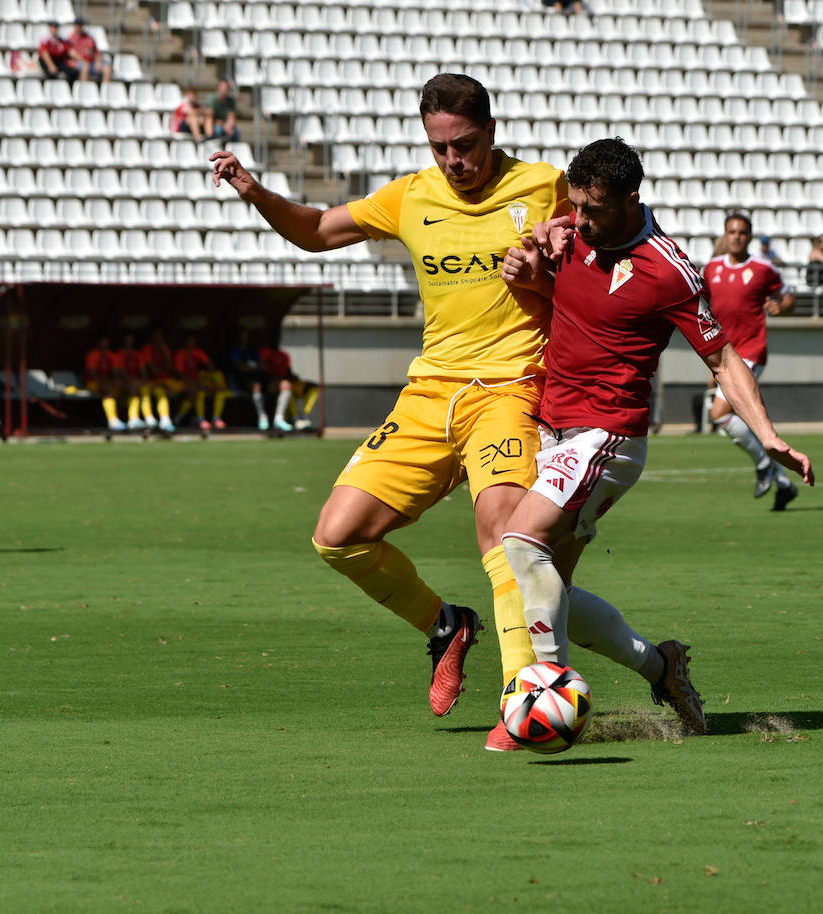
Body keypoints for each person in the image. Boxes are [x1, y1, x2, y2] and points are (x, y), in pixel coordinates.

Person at [210, 73, 571, 749]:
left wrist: (546, 279)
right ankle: (445, 625)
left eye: (463, 145)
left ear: (491, 133)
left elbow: (592, 283)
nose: (451, 161)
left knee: (502, 534)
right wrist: (256, 194)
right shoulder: (412, 195)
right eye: (439, 147)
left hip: (510, 388)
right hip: (432, 391)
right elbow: (317, 231)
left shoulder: (546, 187)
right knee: (336, 536)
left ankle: (523, 702)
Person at [498, 138, 815, 747]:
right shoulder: (572, 230)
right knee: (550, 590)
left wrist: (768, 435)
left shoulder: (668, 268)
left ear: (629, 198)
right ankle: (661, 666)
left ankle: (548, 692)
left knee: (519, 539)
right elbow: (563, 296)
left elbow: (722, 356)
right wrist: (530, 268)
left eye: (592, 210)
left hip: (606, 433)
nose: (580, 221)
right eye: (574, 208)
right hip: (553, 426)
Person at [703, 212, 800, 510]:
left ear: (749, 236)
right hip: (722, 353)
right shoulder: (711, 269)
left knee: (719, 414)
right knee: (743, 422)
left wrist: (781, 308)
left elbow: (788, 298)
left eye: (742, 232)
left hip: (750, 350)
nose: (736, 236)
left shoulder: (763, 268)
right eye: (732, 231)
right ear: (725, 234)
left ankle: (763, 465)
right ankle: (783, 482)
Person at [257, 340, 318, 432]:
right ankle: (294, 418)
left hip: (284, 383)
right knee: (287, 386)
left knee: (313, 387)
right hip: (268, 382)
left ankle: (302, 416)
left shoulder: (284, 355)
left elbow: (288, 371)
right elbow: (262, 369)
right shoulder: (265, 353)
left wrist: (293, 378)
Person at [174, 334, 230, 431]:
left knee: (219, 393)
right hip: (185, 384)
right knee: (196, 393)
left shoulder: (198, 354)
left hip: (204, 386)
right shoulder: (181, 354)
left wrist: (211, 386)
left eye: (193, 342)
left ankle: (215, 419)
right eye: (189, 342)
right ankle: (196, 419)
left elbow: (208, 364)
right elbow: (180, 373)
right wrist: (198, 384)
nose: (191, 344)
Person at [228, 329, 273, 431]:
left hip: (259, 378)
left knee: (277, 385)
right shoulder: (236, 351)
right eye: (242, 335)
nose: (244, 338)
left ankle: (279, 418)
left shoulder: (252, 350)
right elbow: (242, 368)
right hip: (242, 381)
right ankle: (262, 417)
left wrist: (253, 366)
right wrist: (254, 366)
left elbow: (263, 366)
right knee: (256, 386)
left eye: (245, 335)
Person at [138, 328, 181, 433]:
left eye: (160, 336)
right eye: (156, 336)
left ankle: (165, 420)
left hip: (165, 382)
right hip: (151, 382)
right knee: (148, 392)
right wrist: (160, 381)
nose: (158, 338)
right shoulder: (147, 349)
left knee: (163, 393)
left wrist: (164, 351)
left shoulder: (165, 349)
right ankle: (149, 419)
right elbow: (152, 369)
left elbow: (170, 367)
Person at [84, 333, 126, 432]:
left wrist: (116, 381)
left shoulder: (111, 355)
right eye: (103, 341)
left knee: (126, 388)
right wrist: (107, 383)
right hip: (92, 383)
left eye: (107, 342)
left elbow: (115, 373)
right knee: (108, 390)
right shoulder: (93, 355)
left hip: (108, 383)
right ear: (98, 343)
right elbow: (93, 374)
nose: (105, 343)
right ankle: (112, 420)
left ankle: (132, 418)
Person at [112, 332, 149, 430]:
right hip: (123, 383)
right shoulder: (119, 354)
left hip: (135, 383)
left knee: (144, 388)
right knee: (132, 388)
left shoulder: (137, 354)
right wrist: (129, 380)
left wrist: (143, 381)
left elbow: (142, 370)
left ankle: (148, 418)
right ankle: (132, 418)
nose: (129, 341)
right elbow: (119, 371)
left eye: (131, 339)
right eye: (127, 339)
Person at [66, 18, 110, 84]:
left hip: (91, 62)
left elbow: (96, 52)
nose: (78, 27)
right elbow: (72, 54)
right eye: (77, 25)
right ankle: (84, 89)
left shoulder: (89, 38)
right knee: (85, 66)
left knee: (107, 68)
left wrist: (99, 62)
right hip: (77, 62)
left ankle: (105, 91)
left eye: (80, 25)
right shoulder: (71, 39)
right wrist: (84, 61)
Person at [204, 79, 240, 143]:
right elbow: (210, 117)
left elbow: (231, 116)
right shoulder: (212, 99)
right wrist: (223, 124)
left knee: (236, 131)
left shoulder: (231, 101)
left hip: (225, 124)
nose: (224, 91)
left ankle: (230, 149)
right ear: (218, 89)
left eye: (226, 89)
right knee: (218, 130)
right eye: (223, 89)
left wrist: (229, 125)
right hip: (214, 123)